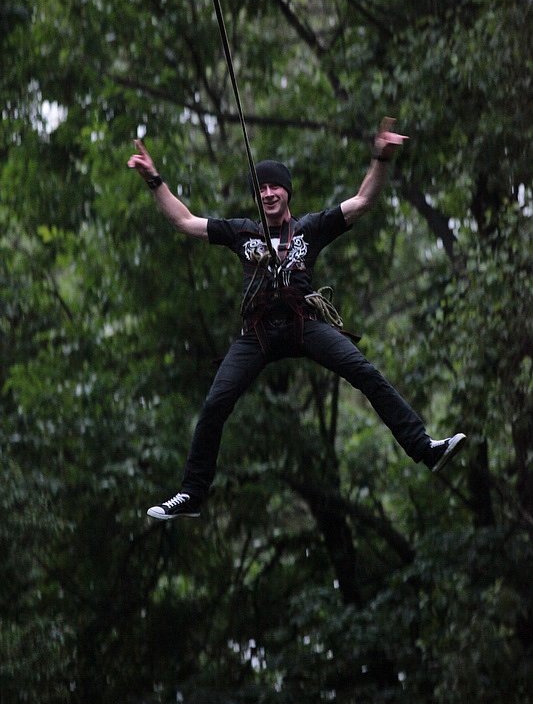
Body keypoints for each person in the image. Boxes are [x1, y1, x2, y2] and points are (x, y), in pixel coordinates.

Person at [127, 120, 466, 520]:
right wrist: (154, 180)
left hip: (304, 325)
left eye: (275, 187)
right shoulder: (242, 232)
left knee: (364, 371)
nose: (268, 193)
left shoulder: (309, 229)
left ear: (287, 191)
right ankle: (192, 494)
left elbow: (362, 202)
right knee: (216, 402)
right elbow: (185, 221)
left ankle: (424, 448)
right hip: (256, 335)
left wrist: (380, 158)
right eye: (261, 189)